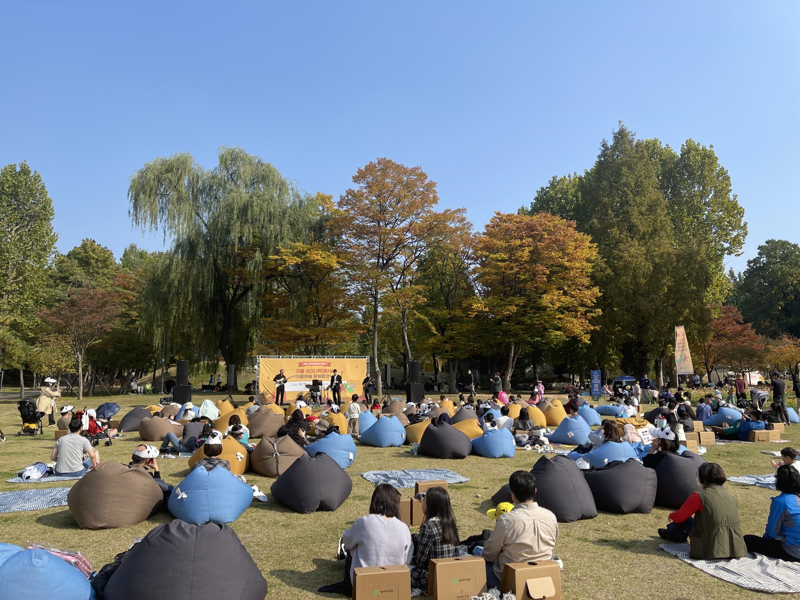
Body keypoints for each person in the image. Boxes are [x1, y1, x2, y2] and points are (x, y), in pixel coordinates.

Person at [319, 483, 413, 596]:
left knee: (354, 548)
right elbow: (407, 559)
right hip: (393, 585)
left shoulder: (364, 522)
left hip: (363, 583)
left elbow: (347, 543)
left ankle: (347, 584)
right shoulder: (404, 528)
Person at [482, 470, 558, 591]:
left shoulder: (507, 520)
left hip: (511, 578)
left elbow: (489, 554)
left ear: (513, 494)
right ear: (535, 491)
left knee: (476, 565)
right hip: (544, 575)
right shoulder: (551, 516)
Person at [658, 463, 747, 558]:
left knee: (686, 519)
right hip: (735, 548)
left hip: (708, 548)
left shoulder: (698, 496)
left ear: (703, 478)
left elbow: (680, 516)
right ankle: (676, 533)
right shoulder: (730, 496)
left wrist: (671, 516)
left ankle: (672, 532)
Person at [409, 487, 459, 596]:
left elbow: (420, 562)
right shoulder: (450, 523)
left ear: (431, 505)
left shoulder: (428, 527)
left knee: (403, 572)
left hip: (432, 577)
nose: (422, 503)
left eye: (424, 501)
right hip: (451, 575)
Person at [744, 464, 800, 560]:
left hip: (793, 551)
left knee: (747, 539)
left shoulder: (781, 501)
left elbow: (772, 532)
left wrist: (765, 541)